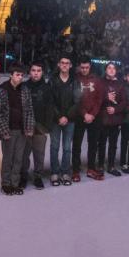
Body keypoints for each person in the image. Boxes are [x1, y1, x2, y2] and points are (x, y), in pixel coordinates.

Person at [0, 64, 35, 195]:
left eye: (21, 75)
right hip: (8, 131)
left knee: (18, 158)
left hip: (22, 131)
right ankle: (6, 183)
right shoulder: (3, 90)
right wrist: (4, 131)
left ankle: (15, 183)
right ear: (11, 75)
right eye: (17, 75)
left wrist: (29, 127)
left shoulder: (25, 90)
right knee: (8, 158)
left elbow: (30, 110)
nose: (20, 77)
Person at [21, 61, 52, 190]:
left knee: (39, 153)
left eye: (39, 71)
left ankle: (38, 176)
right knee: (24, 153)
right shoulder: (23, 86)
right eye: (33, 70)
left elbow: (50, 108)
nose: (36, 73)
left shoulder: (46, 88)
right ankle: (23, 175)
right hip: (25, 126)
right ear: (29, 72)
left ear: (42, 72)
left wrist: (46, 127)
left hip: (40, 126)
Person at [72, 56, 103, 181]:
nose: (84, 69)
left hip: (94, 117)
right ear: (79, 67)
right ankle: (75, 170)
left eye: (87, 67)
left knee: (93, 144)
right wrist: (84, 114)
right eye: (82, 67)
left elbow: (99, 99)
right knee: (77, 144)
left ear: (90, 67)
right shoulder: (75, 79)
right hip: (80, 116)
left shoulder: (96, 80)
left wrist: (92, 114)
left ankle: (91, 168)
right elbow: (75, 100)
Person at [48, 55, 77, 186]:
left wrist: (67, 117)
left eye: (67, 63)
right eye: (62, 63)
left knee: (66, 148)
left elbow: (77, 102)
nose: (65, 65)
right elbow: (50, 102)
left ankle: (65, 172)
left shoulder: (74, 81)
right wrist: (59, 116)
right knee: (54, 147)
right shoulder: (52, 81)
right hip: (55, 120)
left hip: (70, 120)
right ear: (59, 65)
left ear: (70, 66)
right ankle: (54, 172)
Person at [98, 62, 127, 176]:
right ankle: (100, 165)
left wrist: (115, 109)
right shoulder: (100, 83)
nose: (111, 70)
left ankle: (111, 166)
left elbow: (124, 102)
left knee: (113, 144)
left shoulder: (120, 85)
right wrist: (106, 98)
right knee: (101, 143)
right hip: (102, 119)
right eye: (109, 68)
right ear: (105, 70)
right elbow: (96, 99)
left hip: (115, 119)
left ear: (116, 71)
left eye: (113, 68)